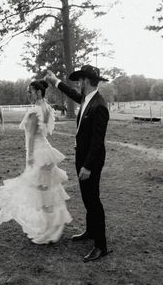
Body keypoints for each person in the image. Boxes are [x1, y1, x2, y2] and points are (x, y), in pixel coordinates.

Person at [0, 80, 72, 244]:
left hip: (39, 155)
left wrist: (30, 158)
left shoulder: (35, 111)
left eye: (30, 91)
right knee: (47, 192)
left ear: (39, 93)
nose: (28, 94)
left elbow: (32, 136)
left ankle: (49, 232)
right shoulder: (47, 108)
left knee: (42, 194)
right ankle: (51, 228)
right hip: (47, 152)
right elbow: (44, 133)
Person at [45, 65, 110, 262]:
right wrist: (55, 81)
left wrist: (88, 166)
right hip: (81, 158)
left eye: (81, 80)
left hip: (91, 162)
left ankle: (101, 246)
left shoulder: (99, 105)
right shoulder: (86, 99)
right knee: (87, 198)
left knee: (93, 201)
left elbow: (98, 141)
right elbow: (71, 92)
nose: (78, 83)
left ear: (88, 81)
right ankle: (90, 232)